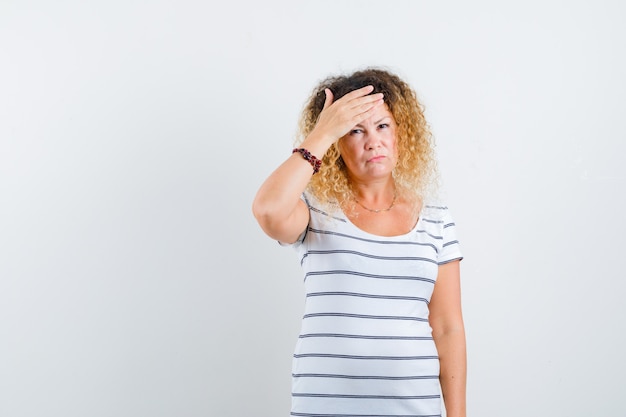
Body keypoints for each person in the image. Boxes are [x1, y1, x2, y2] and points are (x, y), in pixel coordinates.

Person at [252, 68, 466, 417]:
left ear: (401, 132)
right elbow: (268, 212)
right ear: (337, 144)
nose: (372, 141)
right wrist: (322, 132)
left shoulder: (436, 219)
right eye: (354, 130)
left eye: (382, 126)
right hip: (323, 406)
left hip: (413, 407)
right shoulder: (312, 209)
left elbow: (448, 327)